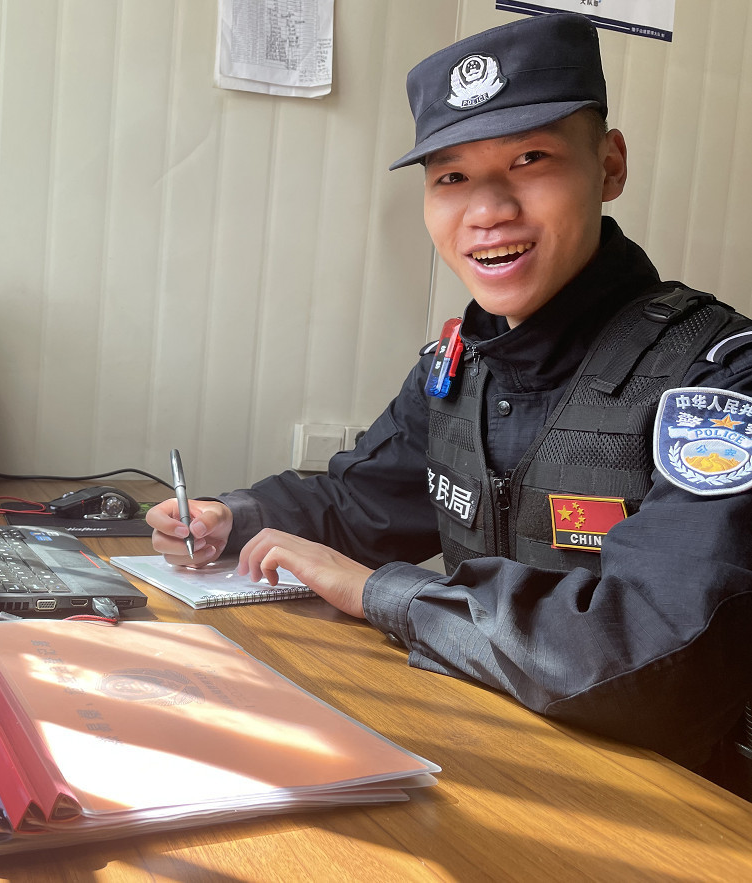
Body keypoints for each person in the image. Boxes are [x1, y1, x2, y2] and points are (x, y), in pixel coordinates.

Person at [146, 12, 752, 788]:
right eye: (451, 177)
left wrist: (380, 593)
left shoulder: (716, 383)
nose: (487, 210)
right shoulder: (459, 363)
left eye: (530, 159)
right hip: (483, 751)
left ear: (608, 166)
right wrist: (232, 519)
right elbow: (359, 503)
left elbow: (649, 654)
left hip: (673, 801)